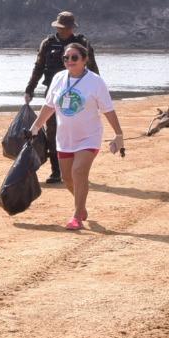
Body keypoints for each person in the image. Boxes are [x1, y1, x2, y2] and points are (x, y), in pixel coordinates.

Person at [28, 42, 123, 231]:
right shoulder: (58, 78)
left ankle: (76, 216)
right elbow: (49, 106)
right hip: (65, 138)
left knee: (79, 172)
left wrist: (119, 134)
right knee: (67, 178)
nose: (69, 61)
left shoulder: (95, 81)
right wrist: (35, 126)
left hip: (89, 136)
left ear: (84, 59)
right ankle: (81, 206)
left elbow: (108, 110)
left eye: (74, 57)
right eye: (66, 58)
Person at [23, 11, 99, 185]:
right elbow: (38, 67)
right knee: (53, 132)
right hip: (54, 94)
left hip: (79, 96)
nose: (64, 30)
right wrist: (29, 89)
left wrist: (97, 94)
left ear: (72, 28)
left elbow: (93, 68)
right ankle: (56, 170)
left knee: (78, 131)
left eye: (67, 28)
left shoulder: (82, 44)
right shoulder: (47, 44)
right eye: (61, 27)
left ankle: (76, 166)